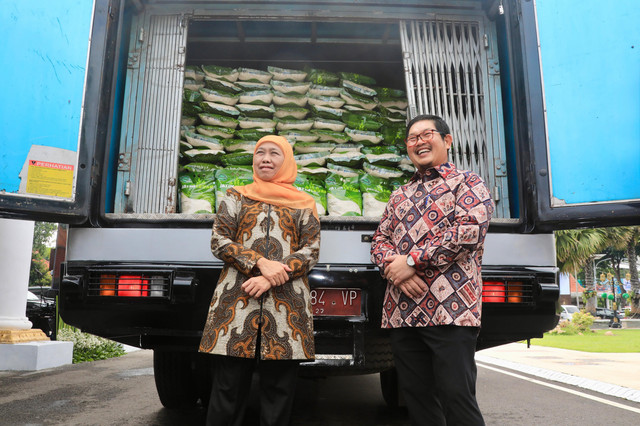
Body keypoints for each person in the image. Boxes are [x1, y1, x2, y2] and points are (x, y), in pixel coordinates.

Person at [370, 114, 493, 425]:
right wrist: (392, 268)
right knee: (417, 399)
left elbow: (468, 231)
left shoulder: (468, 182)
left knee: (457, 396)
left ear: (447, 141)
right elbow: (379, 242)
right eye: (412, 138)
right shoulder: (400, 194)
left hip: (451, 311)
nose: (419, 141)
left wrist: (410, 261)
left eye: (427, 134)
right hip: (403, 312)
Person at [199, 135, 321, 426]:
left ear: (287, 160)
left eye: (274, 153)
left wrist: (271, 277)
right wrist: (260, 263)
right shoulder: (236, 195)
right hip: (235, 304)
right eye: (260, 153)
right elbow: (219, 240)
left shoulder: (304, 203)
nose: (265, 158)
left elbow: (312, 250)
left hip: (287, 307)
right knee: (227, 389)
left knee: (279, 392)